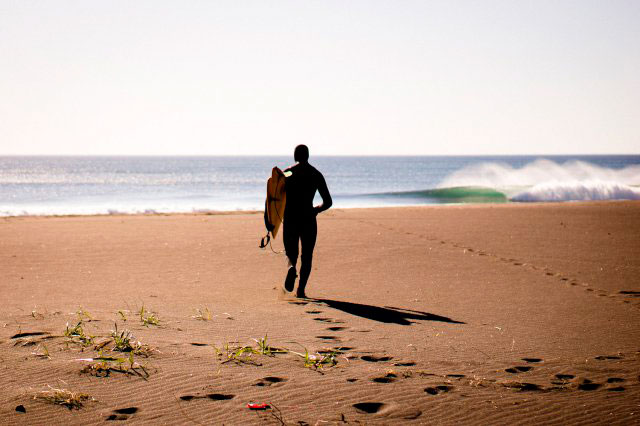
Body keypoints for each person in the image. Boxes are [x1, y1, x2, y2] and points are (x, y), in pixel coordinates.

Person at [282, 145, 332, 298]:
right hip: (308, 218)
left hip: (290, 217)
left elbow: (274, 197)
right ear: (308, 156)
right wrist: (316, 210)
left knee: (291, 252)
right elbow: (328, 202)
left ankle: (291, 267)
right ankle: (301, 290)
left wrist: (272, 219)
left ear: (295, 155)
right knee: (307, 255)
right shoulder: (316, 174)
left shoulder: (288, 172)